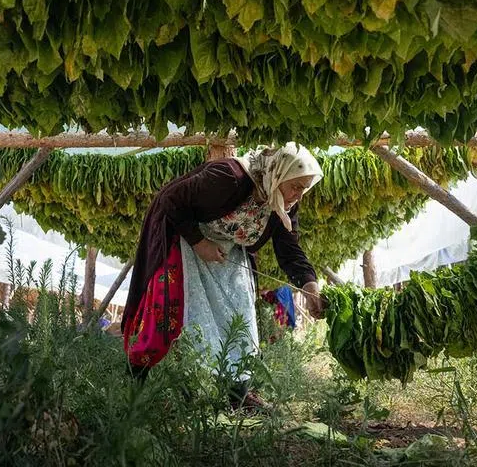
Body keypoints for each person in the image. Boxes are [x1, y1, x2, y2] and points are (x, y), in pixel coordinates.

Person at [121, 143, 325, 408]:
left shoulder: (283, 202)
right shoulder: (229, 177)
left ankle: (238, 396)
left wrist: (310, 286)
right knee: (167, 316)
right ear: (279, 173)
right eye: (297, 186)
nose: (299, 195)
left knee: (241, 319)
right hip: (185, 241)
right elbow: (170, 199)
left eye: (304, 188)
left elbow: (289, 249)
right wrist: (198, 242)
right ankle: (132, 387)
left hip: (226, 252)